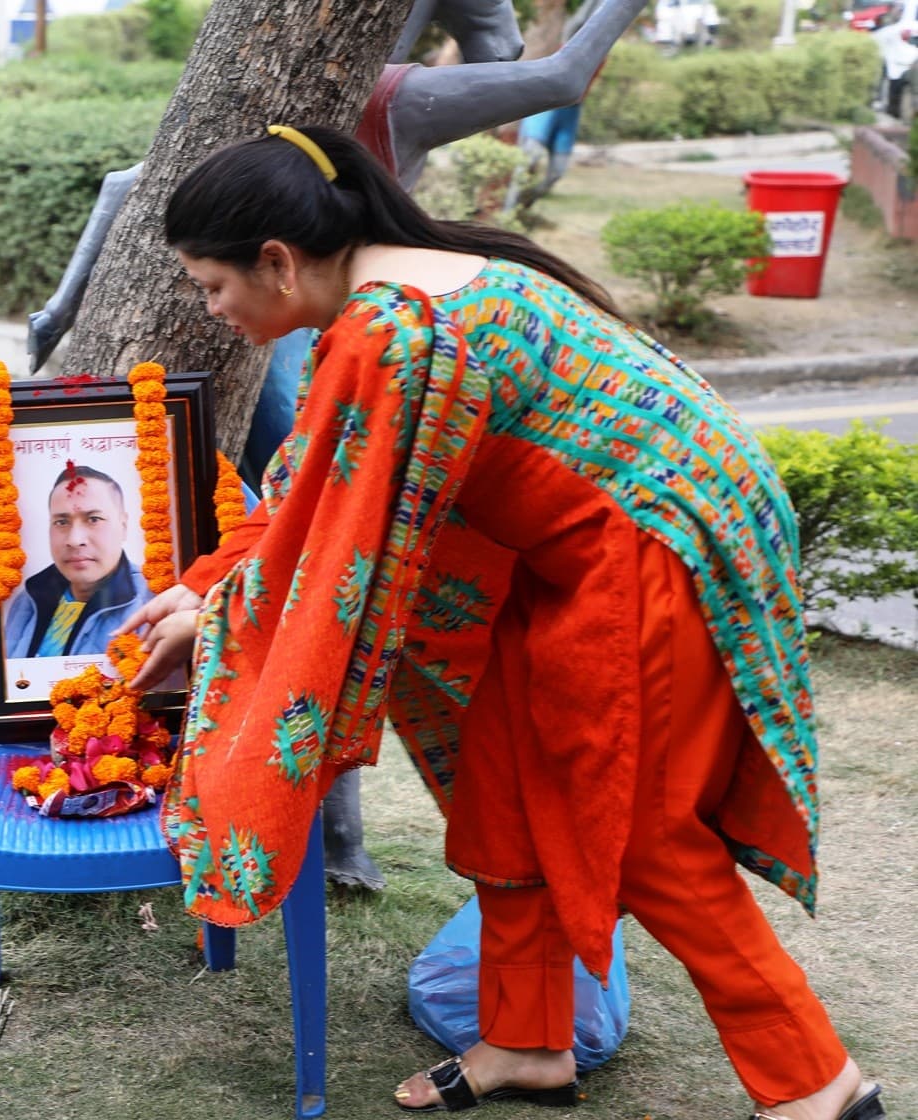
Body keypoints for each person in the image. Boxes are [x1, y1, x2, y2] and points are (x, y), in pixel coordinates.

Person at [114, 124, 885, 1120]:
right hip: (579, 554)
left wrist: (216, 607)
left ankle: (816, 1084)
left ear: (277, 260)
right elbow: (310, 485)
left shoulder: (390, 332)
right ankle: (526, 1038)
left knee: (642, 828)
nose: (214, 312)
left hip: (650, 556)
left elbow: (325, 528)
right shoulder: (420, 281)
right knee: (506, 779)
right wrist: (208, 583)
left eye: (211, 286)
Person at [5, 464, 152, 658]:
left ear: (123, 526)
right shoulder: (28, 600)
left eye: (94, 519)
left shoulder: (150, 602)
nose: (75, 540)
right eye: (61, 522)